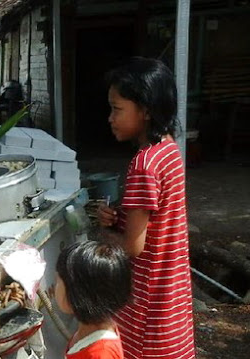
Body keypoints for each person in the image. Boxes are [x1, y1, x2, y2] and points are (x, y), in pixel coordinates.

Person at [97, 57, 196, 358]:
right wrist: (120, 217)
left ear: (146, 111)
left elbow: (132, 246)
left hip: (147, 305)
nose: (110, 118)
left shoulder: (144, 165)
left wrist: (103, 234)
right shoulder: (168, 149)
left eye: (117, 109)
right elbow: (157, 219)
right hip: (173, 299)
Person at [55, 240, 131, 359]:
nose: (55, 287)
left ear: (78, 294)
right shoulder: (88, 331)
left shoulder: (101, 353)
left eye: (58, 281)